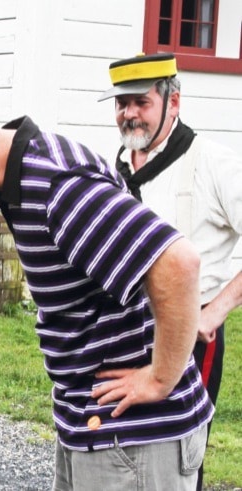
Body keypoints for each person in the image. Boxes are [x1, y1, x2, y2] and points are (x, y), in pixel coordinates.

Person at [0, 78, 215, 490]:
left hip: (134, 438)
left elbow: (178, 263)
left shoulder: (56, 188)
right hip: (93, 426)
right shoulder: (20, 179)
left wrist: (159, 378)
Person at [98, 52, 242, 490]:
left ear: (173, 102)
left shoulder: (214, 163)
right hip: (125, 335)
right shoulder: (115, 167)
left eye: (140, 102)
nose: (129, 114)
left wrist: (212, 313)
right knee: (123, 452)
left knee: (180, 455)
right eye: (121, 104)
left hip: (189, 336)